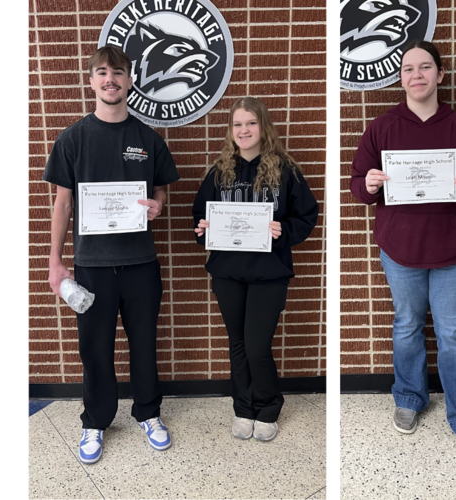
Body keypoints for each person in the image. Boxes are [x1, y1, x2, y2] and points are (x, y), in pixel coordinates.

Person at [349, 40, 456, 461]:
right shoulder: (381, 128)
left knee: (454, 334)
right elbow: (357, 186)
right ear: (401, 78)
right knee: (406, 326)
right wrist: (370, 185)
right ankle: (409, 397)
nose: (417, 75)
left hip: (454, 251)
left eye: (425, 67)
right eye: (409, 69)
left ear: (440, 74)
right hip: (400, 250)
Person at [43, 46, 179, 465]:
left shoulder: (148, 139)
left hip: (140, 264)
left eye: (118, 72)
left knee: (144, 344)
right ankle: (96, 421)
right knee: (94, 349)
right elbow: (63, 203)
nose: (110, 80)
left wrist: (158, 205)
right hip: (92, 266)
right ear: (91, 82)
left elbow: (161, 190)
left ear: (130, 80)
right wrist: (55, 261)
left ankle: (148, 414)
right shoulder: (72, 139)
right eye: (101, 72)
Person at [192, 96, 319, 442]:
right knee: (237, 343)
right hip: (228, 272)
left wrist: (284, 231)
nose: (244, 130)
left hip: (269, 272)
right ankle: (243, 408)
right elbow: (200, 217)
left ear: (263, 127)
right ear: (230, 130)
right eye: (237, 124)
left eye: (251, 123)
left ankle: (268, 408)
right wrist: (203, 230)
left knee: (257, 346)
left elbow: (307, 216)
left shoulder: (286, 170)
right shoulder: (218, 172)